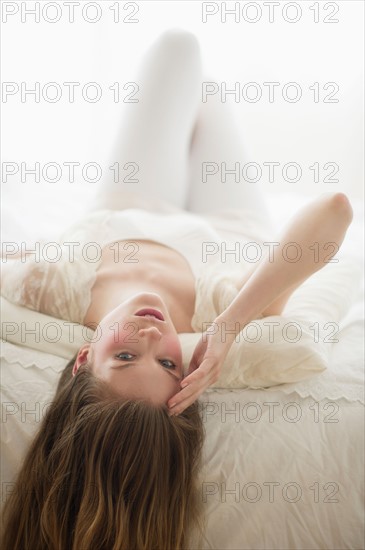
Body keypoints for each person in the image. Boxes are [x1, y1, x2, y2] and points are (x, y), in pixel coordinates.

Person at [1, 30, 353, 550]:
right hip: (229, 225)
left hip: (130, 198)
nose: (150, 334)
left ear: (82, 358)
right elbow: (336, 212)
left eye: (123, 355)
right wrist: (231, 324)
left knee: (178, 48)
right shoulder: (217, 314)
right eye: (167, 364)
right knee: (204, 88)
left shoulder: (52, 288)